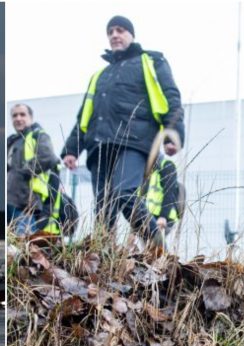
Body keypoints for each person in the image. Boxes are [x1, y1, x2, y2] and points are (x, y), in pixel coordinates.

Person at [61, 15, 184, 246]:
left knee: (124, 193)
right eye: (110, 32)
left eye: (120, 30)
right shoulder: (100, 76)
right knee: (104, 208)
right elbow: (85, 115)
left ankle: (160, 251)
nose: (114, 35)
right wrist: (72, 149)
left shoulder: (151, 61)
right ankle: (103, 263)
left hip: (135, 142)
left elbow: (171, 96)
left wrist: (174, 132)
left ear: (131, 35)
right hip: (99, 146)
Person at [7, 103, 62, 235]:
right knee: (13, 246)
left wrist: (21, 173)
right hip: (12, 202)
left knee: (25, 243)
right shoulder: (13, 142)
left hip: (29, 203)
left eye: (22, 114)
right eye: (14, 115)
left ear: (31, 117)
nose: (18, 118)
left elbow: (47, 157)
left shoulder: (38, 136)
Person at [145, 136, 182, 239]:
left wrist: (163, 217)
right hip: (148, 216)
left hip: (163, 217)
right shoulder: (148, 170)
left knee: (155, 247)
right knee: (150, 249)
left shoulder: (166, 165)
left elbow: (169, 192)